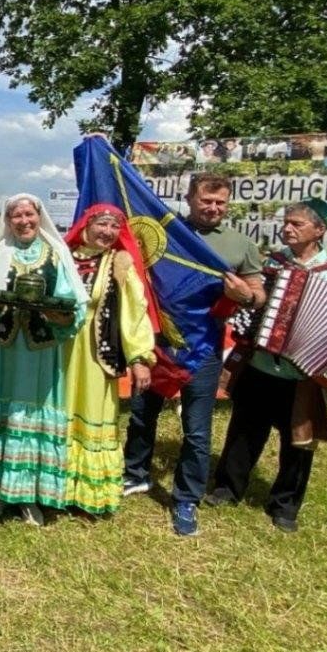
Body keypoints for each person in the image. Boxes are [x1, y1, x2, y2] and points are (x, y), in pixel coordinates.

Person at [209, 199, 327, 532]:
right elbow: (251, 304)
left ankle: (285, 506)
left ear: (320, 230)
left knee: (299, 442)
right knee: (244, 431)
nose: (287, 228)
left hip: (304, 374)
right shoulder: (270, 264)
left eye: (297, 224)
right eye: (286, 222)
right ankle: (227, 489)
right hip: (260, 364)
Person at [121, 172, 265, 537]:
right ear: (189, 199)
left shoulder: (241, 243)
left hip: (204, 349)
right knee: (141, 416)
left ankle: (186, 498)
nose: (214, 208)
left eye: (221, 203)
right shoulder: (167, 232)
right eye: (207, 201)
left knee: (197, 432)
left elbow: (258, 292)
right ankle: (135, 474)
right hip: (158, 344)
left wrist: (244, 297)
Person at [0, 193, 87, 525]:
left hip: (40, 351)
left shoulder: (56, 253)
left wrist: (59, 313)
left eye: (29, 214)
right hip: (3, 349)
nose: (23, 221)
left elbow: (74, 303)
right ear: (8, 221)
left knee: (33, 415)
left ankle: (30, 495)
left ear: (39, 216)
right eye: (16, 216)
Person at [61, 204, 156, 515]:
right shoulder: (63, 257)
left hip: (95, 356)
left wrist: (140, 357)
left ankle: (89, 492)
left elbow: (134, 311)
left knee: (91, 411)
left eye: (114, 228)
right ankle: (55, 487)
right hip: (58, 353)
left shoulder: (120, 264)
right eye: (102, 224)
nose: (108, 232)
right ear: (86, 225)